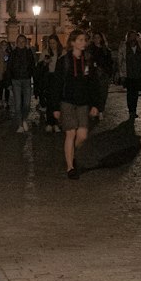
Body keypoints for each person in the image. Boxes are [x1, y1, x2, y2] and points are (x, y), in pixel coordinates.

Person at [51, 29, 100, 179]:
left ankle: (71, 153)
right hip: (67, 102)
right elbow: (56, 85)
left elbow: (93, 84)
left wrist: (95, 104)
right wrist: (54, 107)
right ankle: (70, 167)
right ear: (72, 42)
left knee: (83, 135)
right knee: (70, 133)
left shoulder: (88, 61)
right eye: (80, 40)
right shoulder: (63, 61)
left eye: (84, 40)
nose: (83, 43)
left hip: (83, 102)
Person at [7, 34, 35, 133]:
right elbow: (9, 68)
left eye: (23, 42)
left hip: (26, 80)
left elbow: (32, 66)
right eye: (19, 42)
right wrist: (9, 82)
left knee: (27, 104)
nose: (21, 44)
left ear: (26, 43)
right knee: (18, 103)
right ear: (16, 43)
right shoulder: (13, 53)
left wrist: (32, 76)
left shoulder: (29, 53)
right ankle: (20, 124)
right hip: (16, 80)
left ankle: (24, 119)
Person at [119, 30, 141, 119]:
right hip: (128, 73)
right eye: (132, 36)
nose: (133, 38)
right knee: (130, 93)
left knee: (136, 93)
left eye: (135, 36)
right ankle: (131, 110)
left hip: (137, 72)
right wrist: (121, 73)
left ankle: (134, 110)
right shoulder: (124, 46)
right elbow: (120, 60)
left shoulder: (140, 46)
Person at [89, 32, 113, 120]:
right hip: (93, 75)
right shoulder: (90, 50)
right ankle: (93, 111)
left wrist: (108, 73)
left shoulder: (106, 50)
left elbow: (110, 63)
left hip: (103, 74)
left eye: (98, 37)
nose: (96, 39)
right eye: (95, 37)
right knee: (93, 93)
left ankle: (101, 111)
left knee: (103, 93)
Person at [42, 34, 63, 131]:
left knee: (57, 101)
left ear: (57, 43)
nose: (52, 45)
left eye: (53, 43)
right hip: (49, 78)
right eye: (50, 43)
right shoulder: (46, 52)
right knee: (50, 101)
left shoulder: (62, 52)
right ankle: (50, 122)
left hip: (59, 79)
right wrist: (45, 63)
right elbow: (40, 66)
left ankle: (56, 123)